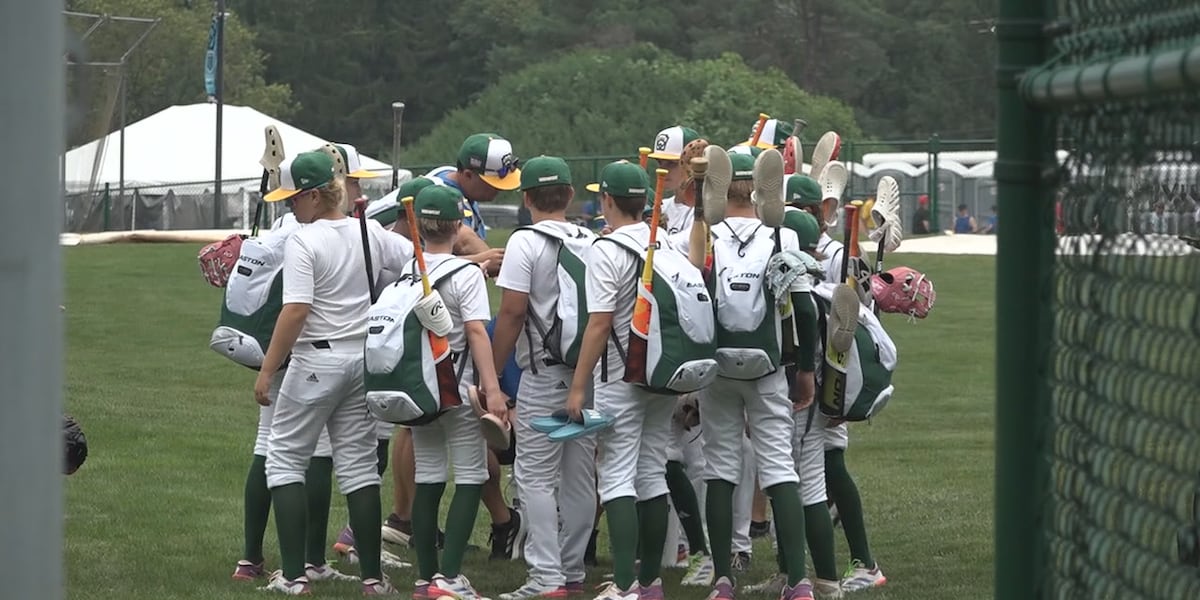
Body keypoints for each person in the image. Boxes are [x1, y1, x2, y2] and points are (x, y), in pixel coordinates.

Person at [255, 150, 415, 596]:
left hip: (315, 361)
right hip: (361, 361)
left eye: (293, 200)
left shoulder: (304, 240)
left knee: (284, 460)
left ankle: (293, 576)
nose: (289, 207)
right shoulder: (370, 231)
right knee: (360, 469)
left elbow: (296, 311)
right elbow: (417, 261)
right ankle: (372, 581)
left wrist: (268, 370)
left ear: (311, 196)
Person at [689, 147, 820, 600]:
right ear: (765, 193)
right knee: (780, 469)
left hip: (717, 365)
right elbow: (804, 308)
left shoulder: (704, 234)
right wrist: (805, 370)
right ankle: (798, 582)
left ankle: (723, 579)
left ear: (722, 191)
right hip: (767, 367)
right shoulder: (783, 238)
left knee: (721, 470)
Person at [565, 160, 674, 600]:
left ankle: (626, 587)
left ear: (607, 200)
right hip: (663, 373)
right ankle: (649, 583)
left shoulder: (605, 249)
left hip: (620, 375)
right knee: (652, 473)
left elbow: (599, 323)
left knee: (615, 478)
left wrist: (577, 386)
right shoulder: (664, 239)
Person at [491, 156, 597, 599]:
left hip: (543, 374)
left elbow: (513, 311)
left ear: (527, 197)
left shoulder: (524, 242)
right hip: (588, 373)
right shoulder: (592, 239)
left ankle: (545, 578)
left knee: (534, 477)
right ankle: (571, 572)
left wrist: (492, 371)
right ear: (571, 195)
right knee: (580, 477)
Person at [226, 208, 346, 585]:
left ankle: (250, 559)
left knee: (267, 443)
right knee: (318, 450)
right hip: (309, 346)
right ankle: (312, 560)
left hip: (271, 343)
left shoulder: (283, 223)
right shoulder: (327, 231)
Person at [404, 184, 510, 600]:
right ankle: (448, 580)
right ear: (458, 226)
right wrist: (493, 389)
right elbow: (476, 333)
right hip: (457, 385)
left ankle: (424, 577)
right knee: (471, 475)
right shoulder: (467, 274)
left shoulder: (406, 269)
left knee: (428, 477)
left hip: (419, 387)